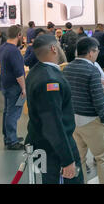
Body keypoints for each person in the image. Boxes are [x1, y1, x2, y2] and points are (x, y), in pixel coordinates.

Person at [25, 34, 83, 184]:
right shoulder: (50, 80)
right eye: (58, 44)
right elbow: (52, 124)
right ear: (53, 48)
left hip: (42, 142)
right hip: (53, 150)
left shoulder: (35, 71)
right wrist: (67, 159)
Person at [63, 37, 104, 184]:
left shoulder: (67, 68)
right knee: (103, 157)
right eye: (97, 51)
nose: (97, 53)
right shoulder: (92, 70)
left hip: (73, 121)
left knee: (79, 159)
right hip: (92, 121)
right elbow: (98, 100)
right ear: (90, 52)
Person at [0, 25, 25, 150]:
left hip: (6, 85)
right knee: (13, 113)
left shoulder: (3, 47)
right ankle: (12, 141)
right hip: (15, 87)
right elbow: (19, 73)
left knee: (7, 112)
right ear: (19, 35)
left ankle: (8, 136)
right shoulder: (14, 51)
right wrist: (24, 89)